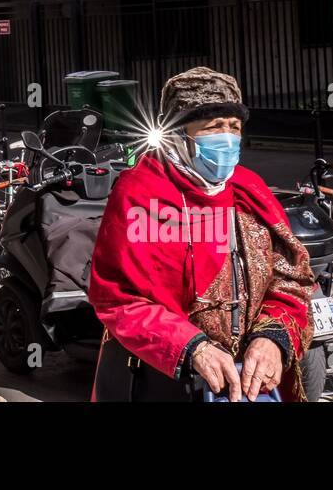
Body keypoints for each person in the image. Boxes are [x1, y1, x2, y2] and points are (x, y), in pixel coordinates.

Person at [88, 67, 315, 401]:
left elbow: (291, 279)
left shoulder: (250, 190)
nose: (227, 137)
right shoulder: (140, 193)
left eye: (234, 127)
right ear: (180, 132)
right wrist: (192, 347)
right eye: (213, 126)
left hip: (247, 385)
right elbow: (118, 296)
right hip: (160, 380)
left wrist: (273, 339)